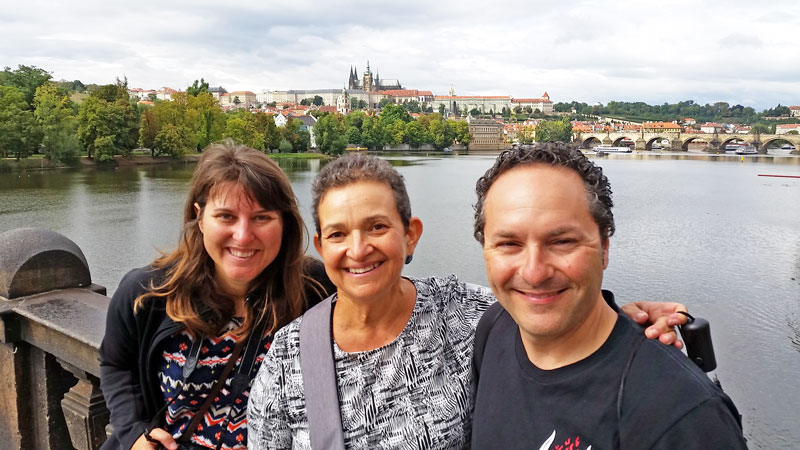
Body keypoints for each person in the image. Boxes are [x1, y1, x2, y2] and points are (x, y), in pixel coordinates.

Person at [247, 153, 688, 449]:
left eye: (377, 226)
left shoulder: (468, 314)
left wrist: (622, 315)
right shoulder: (288, 359)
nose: (358, 249)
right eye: (339, 234)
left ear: (411, 235)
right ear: (322, 248)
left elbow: (543, 300)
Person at [470, 143, 746, 449]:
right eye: (509, 243)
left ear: (604, 249)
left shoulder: (683, 414)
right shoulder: (495, 326)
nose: (534, 273)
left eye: (562, 241)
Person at [99, 142, 334, 450]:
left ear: (284, 222)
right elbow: (116, 364)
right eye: (226, 216)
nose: (243, 235)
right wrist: (133, 435)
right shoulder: (149, 292)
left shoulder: (316, 290)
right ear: (200, 215)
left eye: (261, 217)